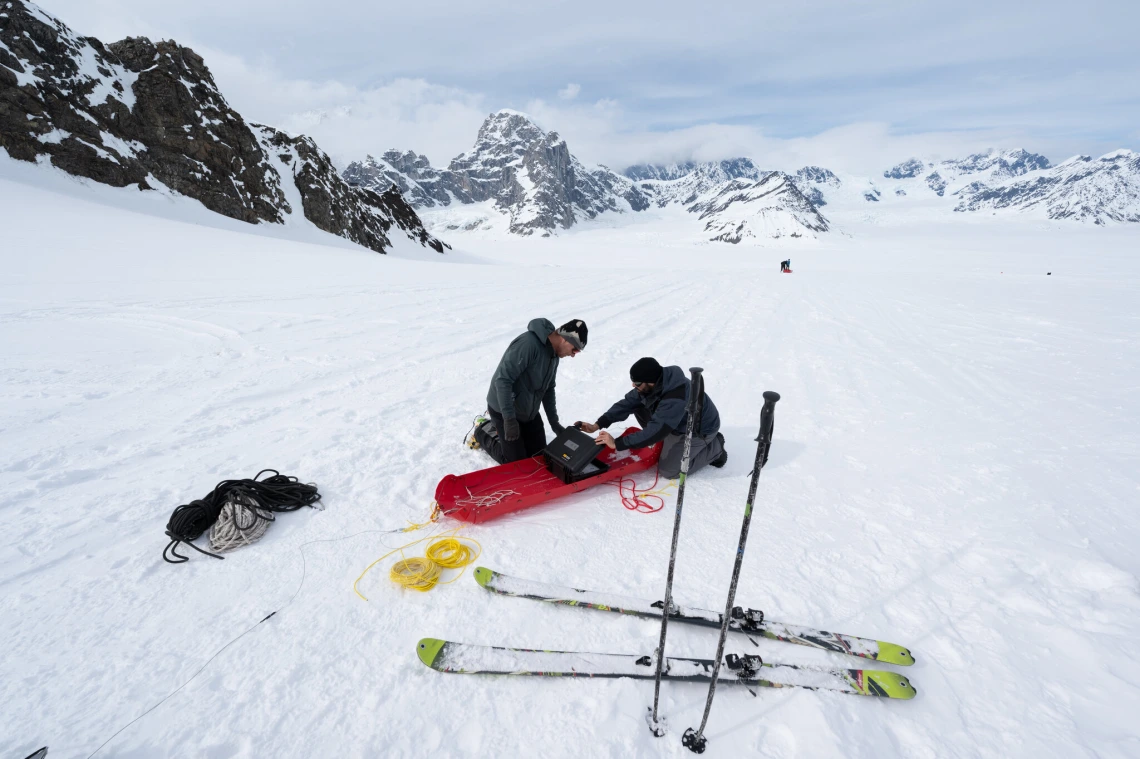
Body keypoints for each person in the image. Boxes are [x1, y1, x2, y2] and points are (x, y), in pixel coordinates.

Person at [577, 357, 726, 479]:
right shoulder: (655, 383)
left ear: (650, 382)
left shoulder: (676, 396)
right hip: (674, 422)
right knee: (638, 404)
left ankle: (715, 447)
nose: (633, 385)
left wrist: (617, 443)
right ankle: (659, 438)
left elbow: (657, 430)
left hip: (698, 430)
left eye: (637, 383)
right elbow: (627, 403)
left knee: (669, 471)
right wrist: (597, 424)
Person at [475, 317, 588, 465]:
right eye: (575, 350)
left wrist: (554, 423)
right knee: (515, 462)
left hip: (528, 411)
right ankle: (483, 430)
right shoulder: (528, 344)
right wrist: (509, 420)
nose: (573, 354)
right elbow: (503, 381)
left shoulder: (554, 355)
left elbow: (548, 388)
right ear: (566, 340)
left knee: (539, 457)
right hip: (504, 410)